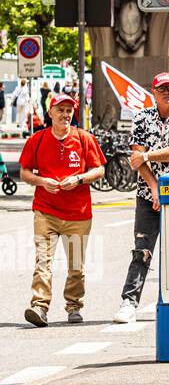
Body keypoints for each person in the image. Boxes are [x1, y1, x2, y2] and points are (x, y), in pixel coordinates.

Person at [113, 73, 169, 325]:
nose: (167, 92)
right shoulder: (142, 118)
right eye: (162, 88)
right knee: (142, 249)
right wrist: (154, 187)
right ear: (153, 91)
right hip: (147, 194)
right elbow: (134, 158)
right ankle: (129, 302)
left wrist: (149, 156)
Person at [20, 93, 105, 327]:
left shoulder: (84, 138)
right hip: (45, 211)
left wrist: (78, 179)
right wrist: (42, 181)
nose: (65, 115)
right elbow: (25, 172)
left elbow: (99, 170)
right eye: (61, 110)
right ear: (50, 113)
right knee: (42, 262)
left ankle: (74, 305)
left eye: (69, 110)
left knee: (76, 265)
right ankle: (40, 306)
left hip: (78, 213)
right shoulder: (36, 140)